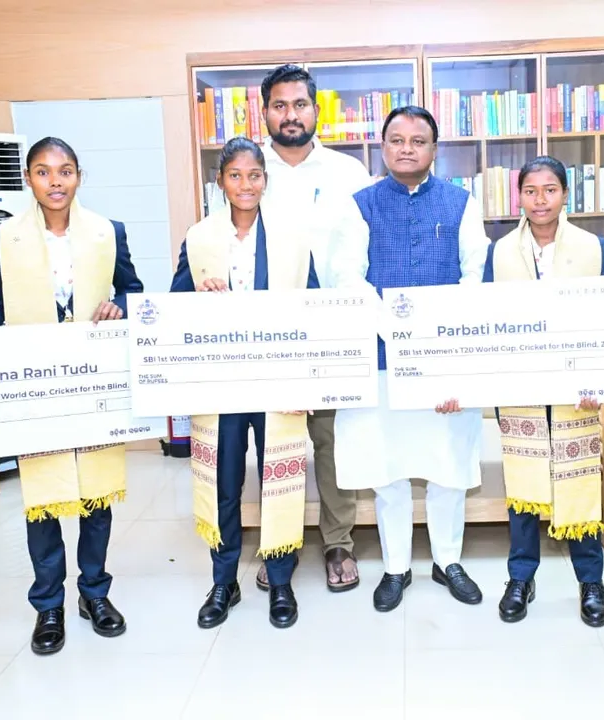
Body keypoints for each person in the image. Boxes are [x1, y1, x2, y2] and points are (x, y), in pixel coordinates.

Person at [0, 136, 143, 655]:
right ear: (27, 178)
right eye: (43, 172)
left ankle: (94, 593)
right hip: (37, 385)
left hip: (92, 382)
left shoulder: (108, 232)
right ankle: (48, 607)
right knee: (41, 498)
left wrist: (119, 307)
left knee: (96, 494)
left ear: (79, 176)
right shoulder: (3, 236)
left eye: (64, 171)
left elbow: (133, 289)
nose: (55, 181)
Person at [331, 105, 490, 612]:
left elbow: (475, 273)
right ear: (382, 147)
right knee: (389, 467)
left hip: (446, 358)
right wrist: (395, 330)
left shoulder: (461, 203)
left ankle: (448, 561)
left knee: (448, 466)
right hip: (380, 357)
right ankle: (396, 567)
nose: (406, 148)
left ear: (434, 149)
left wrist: (437, 335)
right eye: (396, 140)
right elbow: (347, 276)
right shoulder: (361, 205)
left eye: (417, 140)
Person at [170, 137, 321, 630]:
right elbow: (172, 309)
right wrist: (196, 292)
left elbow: (313, 305)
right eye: (235, 175)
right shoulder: (198, 237)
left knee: (281, 480)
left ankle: (280, 581)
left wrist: (307, 378)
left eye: (254, 175)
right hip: (221, 387)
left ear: (265, 180)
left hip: (277, 383)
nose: (245, 184)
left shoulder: (292, 239)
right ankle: (224, 580)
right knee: (223, 484)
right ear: (221, 182)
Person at [252, 63, 374, 593]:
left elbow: (359, 251)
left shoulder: (347, 173)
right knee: (276, 440)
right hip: (270, 331)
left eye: (299, 104)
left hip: (331, 329)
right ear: (265, 112)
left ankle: (339, 543)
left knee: (330, 440)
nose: (290, 114)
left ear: (316, 109)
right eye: (279, 105)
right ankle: (277, 543)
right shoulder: (248, 171)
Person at [482, 155, 604, 626]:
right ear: (519, 196)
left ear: (565, 194)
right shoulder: (497, 252)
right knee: (524, 485)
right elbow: (485, 319)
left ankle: (590, 581)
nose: (540, 200)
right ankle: (521, 576)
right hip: (519, 389)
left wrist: (600, 378)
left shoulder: (593, 246)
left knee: (581, 483)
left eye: (550, 190)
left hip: (576, 390)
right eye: (531, 191)